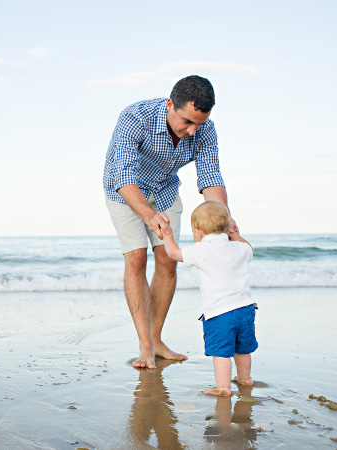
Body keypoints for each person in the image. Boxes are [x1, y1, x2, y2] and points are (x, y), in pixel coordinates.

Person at [102, 75, 239, 370]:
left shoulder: (205, 131)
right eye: (187, 122)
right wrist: (150, 217)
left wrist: (223, 220)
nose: (192, 131)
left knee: (167, 260)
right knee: (137, 258)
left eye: (199, 124)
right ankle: (145, 345)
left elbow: (211, 177)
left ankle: (157, 338)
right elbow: (124, 177)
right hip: (125, 190)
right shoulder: (135, 117)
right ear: (170, 105)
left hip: (164, 189)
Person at [162, 200, 256, 396]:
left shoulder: (201, 250)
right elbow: (249, 248)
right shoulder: (238, 247)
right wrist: (236, 235)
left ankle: (223, 388)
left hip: (220, 313)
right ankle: (245, 378)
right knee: (242, 348)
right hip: (246, 309)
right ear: (226, 228)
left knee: (222, 352)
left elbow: (173, 253)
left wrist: (167, 234)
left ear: (198, 232)